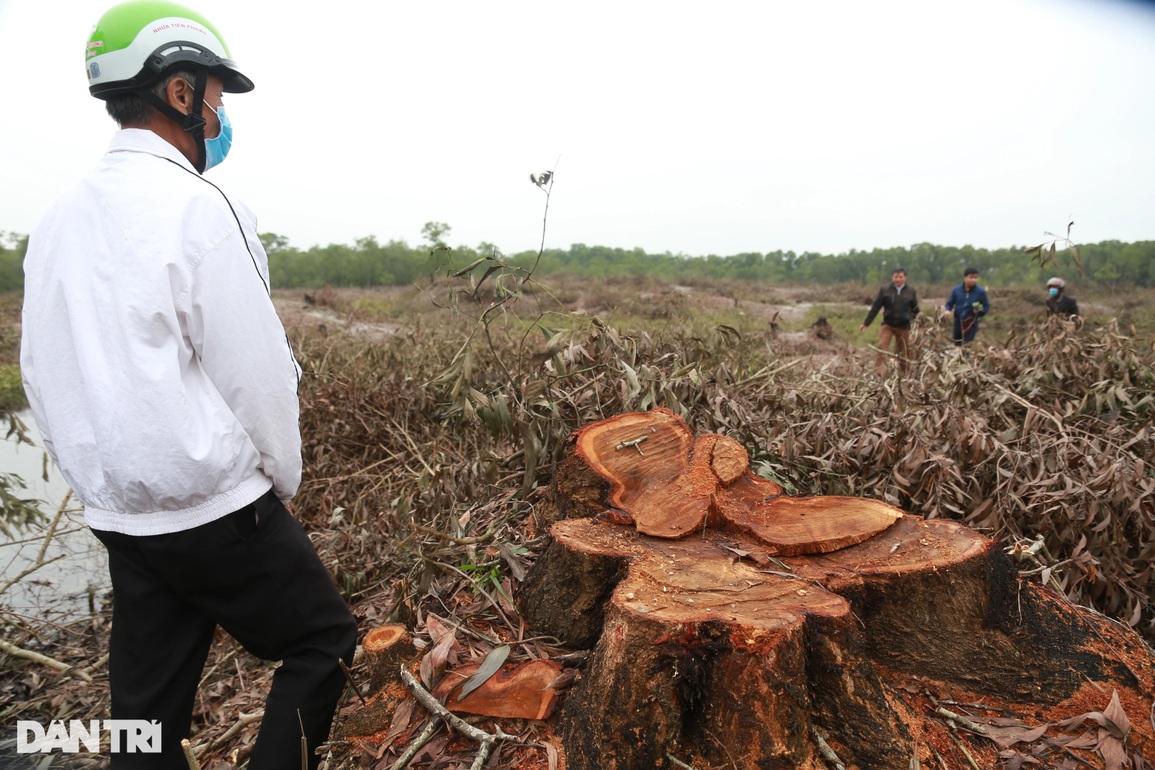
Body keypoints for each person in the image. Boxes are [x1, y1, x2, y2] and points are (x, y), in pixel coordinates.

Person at [19, 2, 358, 768]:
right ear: (179, 91)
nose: (219, 113)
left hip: (121, 513)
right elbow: (256, 369)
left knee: (146, 711)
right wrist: (282, 479)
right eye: (215, 95)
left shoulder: (59, 218)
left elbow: (39, 369)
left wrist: (94, 484)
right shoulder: (201, 206)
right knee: (323, 645)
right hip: (214, 505)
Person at [859, 267, 921, 373]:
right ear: (893, 277)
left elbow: (915, 309)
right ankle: (880, 372)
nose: (898, 279)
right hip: (888, 325)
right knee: (882, 347)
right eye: (895, 277)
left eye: (900, 277)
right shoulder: (885, 290)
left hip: (904, 326)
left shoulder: (911, 291)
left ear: (905, 278)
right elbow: (876, 307)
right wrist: (866, 323)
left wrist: (921, 323)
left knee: (904, 352)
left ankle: (905, 374)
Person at [941, 267, 990, 345]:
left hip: (971, 323)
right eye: (971, 277)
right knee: (957, 345)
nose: (973, 280)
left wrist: (980, 312)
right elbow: (950, 303)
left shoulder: (981, 292)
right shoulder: (956, 290)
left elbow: (986, 306)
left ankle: (966, 356)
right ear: (965, 278)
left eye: (975, 277)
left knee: (967, 345)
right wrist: (948, 310)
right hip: (958, 322)